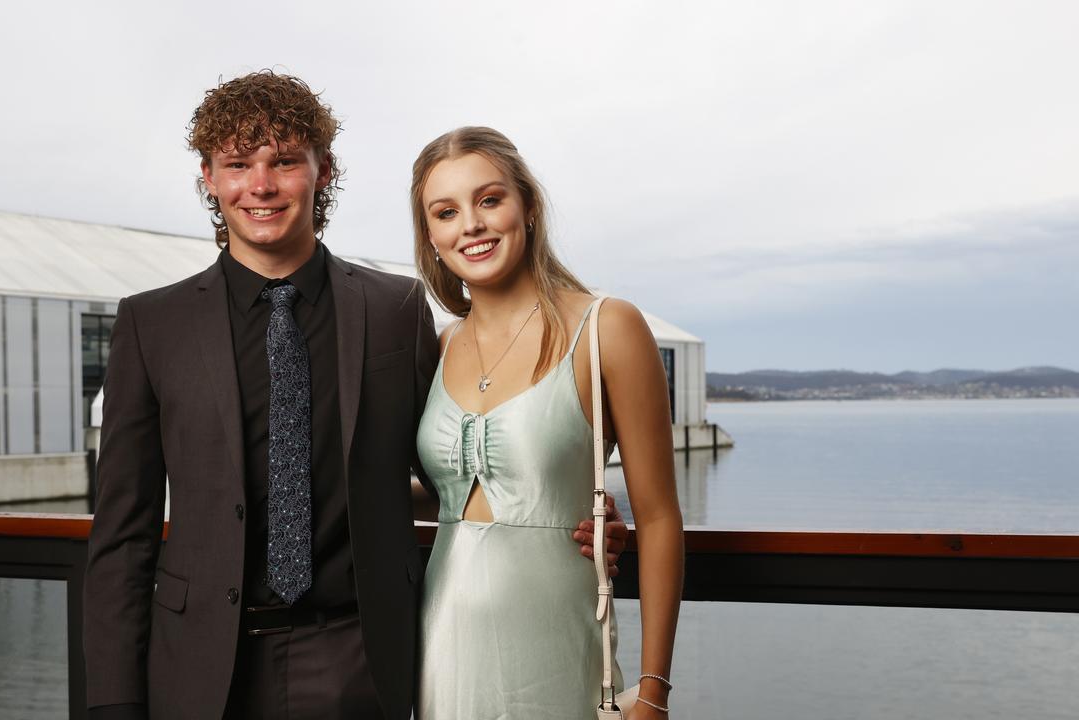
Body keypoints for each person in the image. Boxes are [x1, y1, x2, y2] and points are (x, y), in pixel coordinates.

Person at [82, 72, 627, 720]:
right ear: (209, 177)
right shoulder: (153, 324)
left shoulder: (394, 310)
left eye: (284, 161)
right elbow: (123, 533)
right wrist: (113, 702)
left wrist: (575, 509)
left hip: (361, 657)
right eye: (237, 164)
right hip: (199, 666)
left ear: (323, 169)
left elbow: (455, 469)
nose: (261, 185)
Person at [411, 127, 684, 718]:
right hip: (440, 642)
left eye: (489, 200)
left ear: (527, 207)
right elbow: (440, 488)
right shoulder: (437, 347)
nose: (471, 225)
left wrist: (654, 691)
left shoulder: (606, 328)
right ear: (431, 236)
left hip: (557, 641)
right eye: (446, 212)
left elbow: (660, 516)